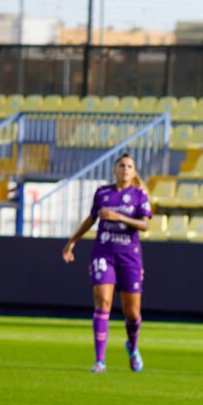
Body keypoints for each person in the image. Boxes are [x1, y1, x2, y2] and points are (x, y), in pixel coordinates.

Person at [61, 154, 151, 373]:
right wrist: (72, 242)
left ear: (134, 171)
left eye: (130, 166)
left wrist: (119, 217)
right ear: (114, 169)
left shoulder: (140, 195)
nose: (125, 169)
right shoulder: (102, 193)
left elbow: (145, 225)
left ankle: (132, 345)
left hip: (129, 256)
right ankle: (100, 360)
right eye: (122, 165)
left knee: (132, 313)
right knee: (103, 301)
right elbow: (91, 219)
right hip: (103, 253)